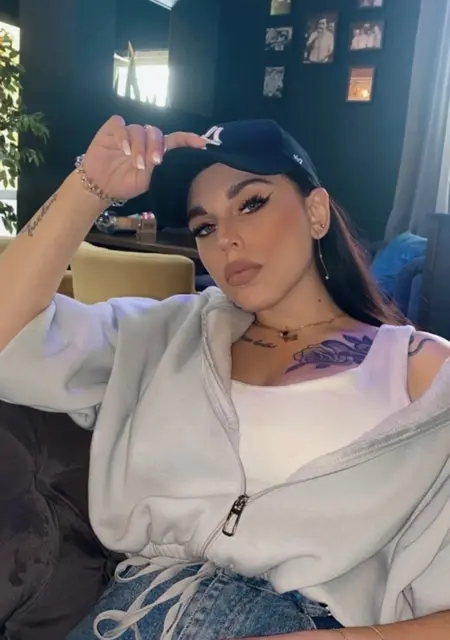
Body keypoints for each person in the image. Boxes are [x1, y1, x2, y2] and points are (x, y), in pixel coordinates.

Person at [0, 116, 449, 640]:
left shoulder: (421, 369)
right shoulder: (165, 334)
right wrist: (89, 187)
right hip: (130, 615)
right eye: (205, 227)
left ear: (316, 212)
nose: (227, 239)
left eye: (251, 203)